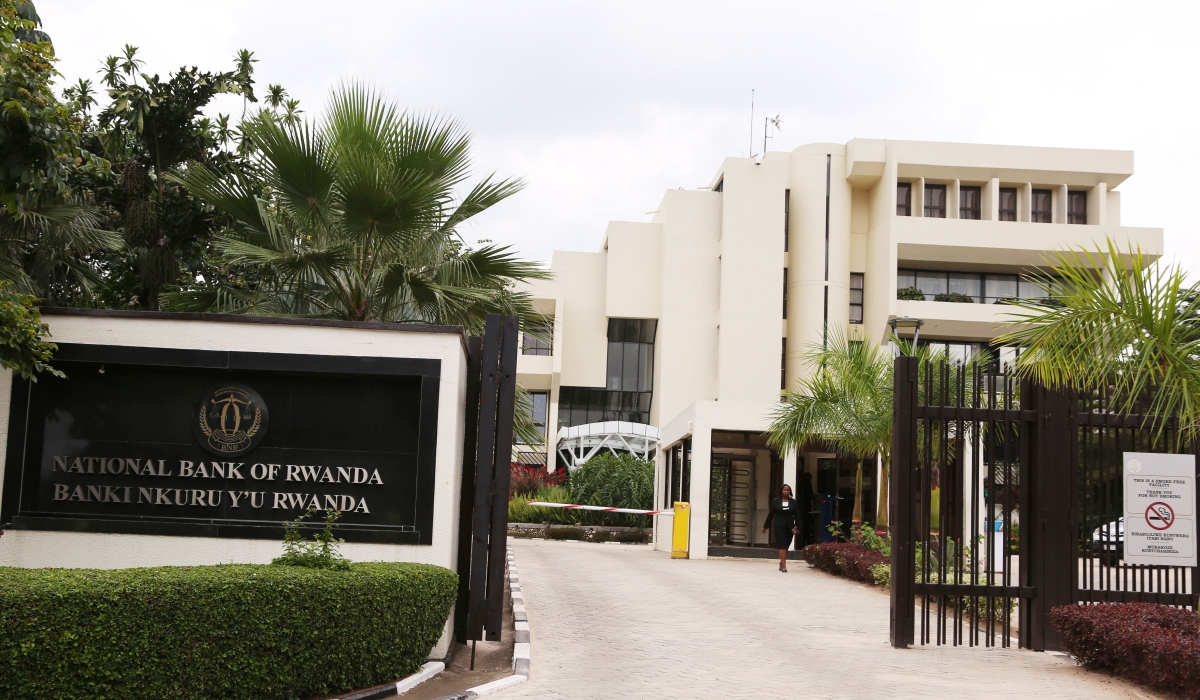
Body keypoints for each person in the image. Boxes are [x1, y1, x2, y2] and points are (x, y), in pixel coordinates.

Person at [762, 484, 802, 572]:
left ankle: (781, 562)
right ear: (781, 491)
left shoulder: (793, 502)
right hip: (779, 526)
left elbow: (797, 515)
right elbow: (770, 514)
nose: (786, 491)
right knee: (782, 545)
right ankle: (784, 566)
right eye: (784, 490)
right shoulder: (776, 501)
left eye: (788, 490)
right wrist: (765, 526)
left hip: (790, 527)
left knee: (786, 545)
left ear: (790, 491)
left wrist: (799, 527)